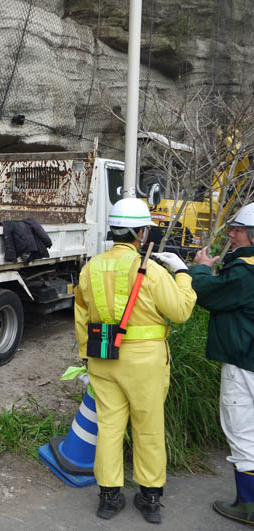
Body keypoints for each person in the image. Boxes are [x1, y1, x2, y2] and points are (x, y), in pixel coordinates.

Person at [74, 198, 197, 524]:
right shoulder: (152, 271)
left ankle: (108, 498)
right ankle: (150, 498)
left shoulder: (90, 268)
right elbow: (181, 311)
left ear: (113, 231)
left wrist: (87, 356)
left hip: (103, 357)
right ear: (141, 234)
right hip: (145, 363)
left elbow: (82, 316)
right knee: (148, 427)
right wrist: (183, 273)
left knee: (110, 427)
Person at [187, 202, 254, 527]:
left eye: (237, 229)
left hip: (244, 362)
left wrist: (199, 269)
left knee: (242, 431)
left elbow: (207, 294)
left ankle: (249, 506)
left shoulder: (245, 272)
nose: (231, 233)